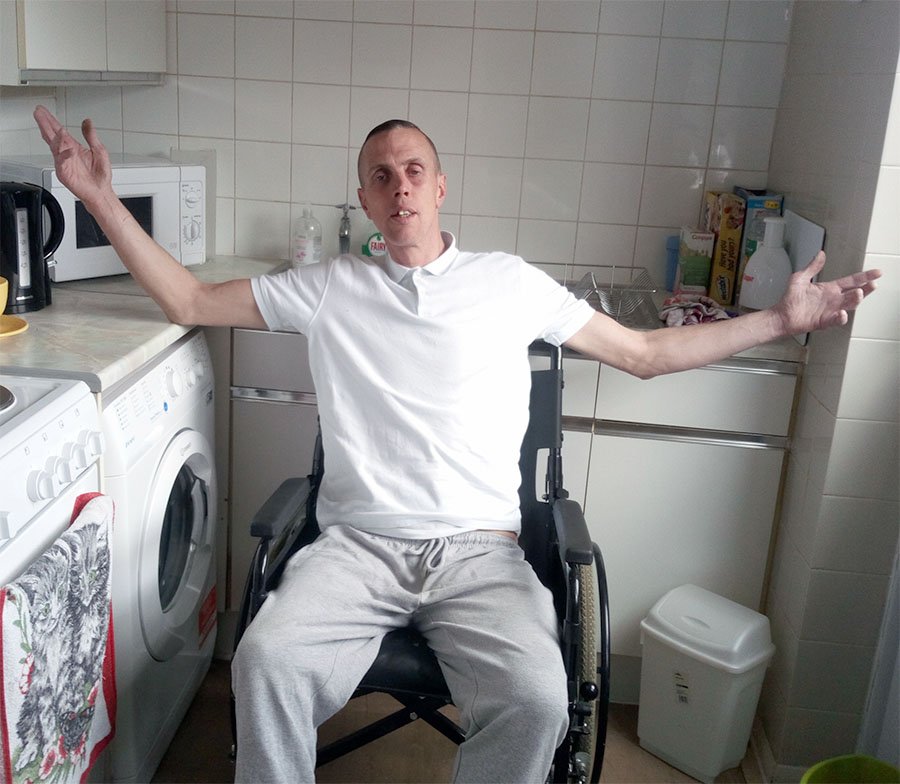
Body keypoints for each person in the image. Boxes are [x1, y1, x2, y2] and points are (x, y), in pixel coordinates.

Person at [33, 106, 880, 784]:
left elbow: (647, 354)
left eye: (412, 172)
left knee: (538, 697)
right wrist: (99, 200)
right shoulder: (327, 289)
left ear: (441, 188)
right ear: (363, 202)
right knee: (264, 664)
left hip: (482, 555)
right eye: (379, 177)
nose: (398, 188)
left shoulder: (509, 284)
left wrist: (778, 320)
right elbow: (186, 298)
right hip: (356, 550)